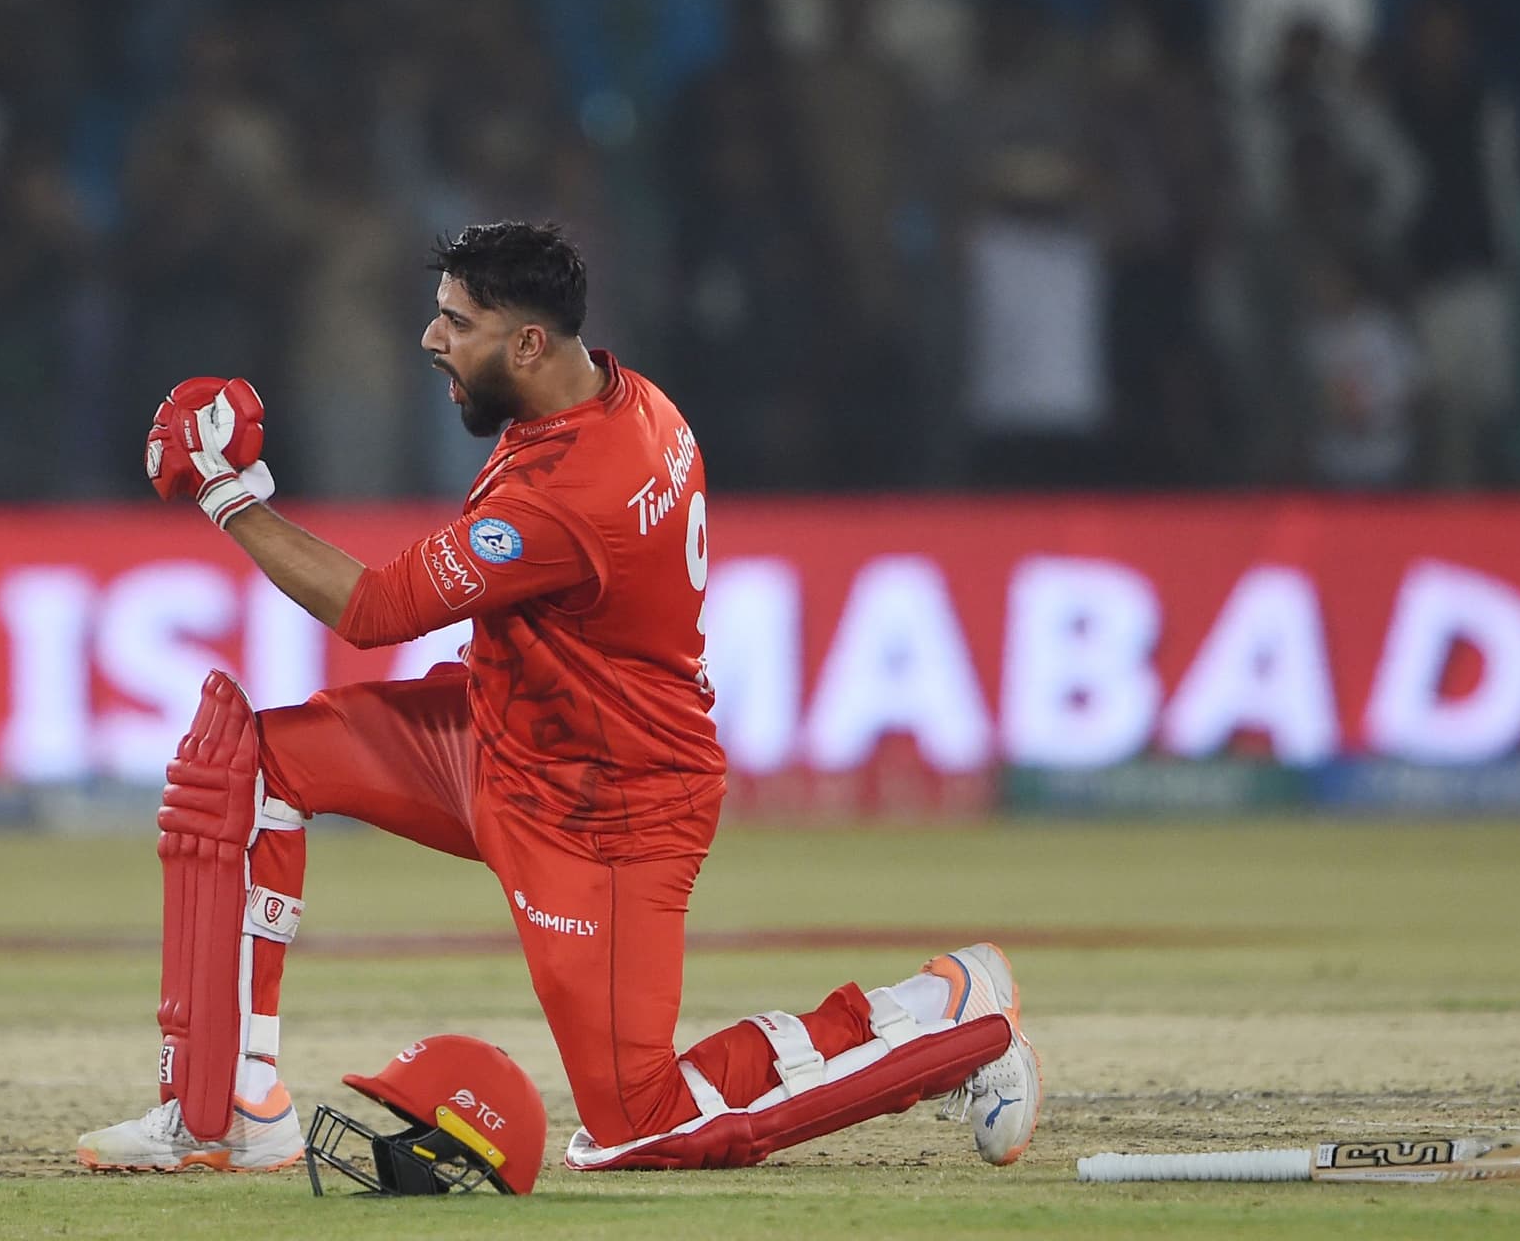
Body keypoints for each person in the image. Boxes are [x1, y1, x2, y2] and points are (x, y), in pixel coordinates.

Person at [75, 222, 1041, 1177]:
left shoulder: (570, 491)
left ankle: (949, 1017)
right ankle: (231, 1108)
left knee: (642, 1126)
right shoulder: (620, 397)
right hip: (503, 736)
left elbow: (373, 612)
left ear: (528, 343)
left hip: (603, 811)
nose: (430, 340)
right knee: (247, 764)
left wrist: (228, 495)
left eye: (456, 321)